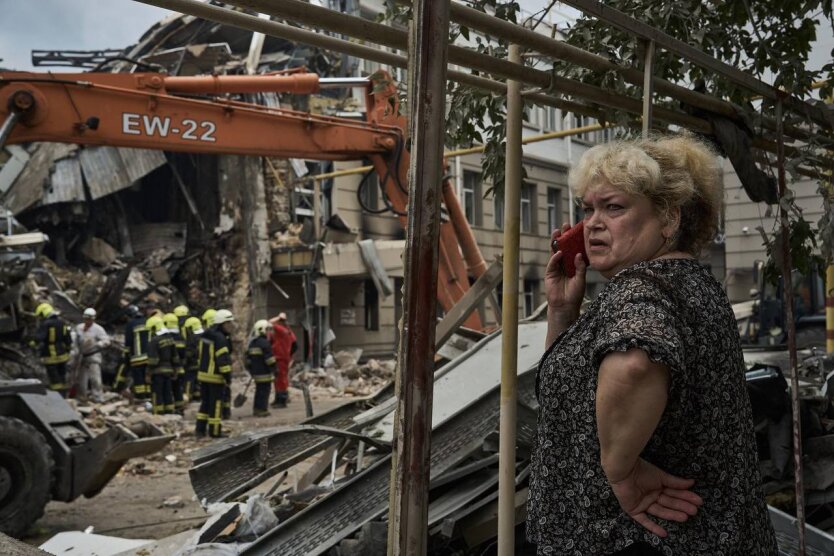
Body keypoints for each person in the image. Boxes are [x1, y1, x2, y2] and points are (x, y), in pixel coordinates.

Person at [527, 135, 777, 555]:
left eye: (614, 207)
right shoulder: (695, 284)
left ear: (668, 218)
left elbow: (634, 364)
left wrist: (622, 474)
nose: (591, 224)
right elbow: (574, 395)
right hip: (713, 535)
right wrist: (561, 312)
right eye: (587, 209)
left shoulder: (639, 292)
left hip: (638, 537)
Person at [196, 309, 234, 438]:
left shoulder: (206, 334)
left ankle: (200, 430)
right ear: (220, 323)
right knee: (216, 404)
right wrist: (227, 377)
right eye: (228, 323)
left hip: (203, 375)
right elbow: (222, 360)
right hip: (215, 376)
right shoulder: (220, 338)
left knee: (205, 403)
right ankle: (215, 431)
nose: (231, 326)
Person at [33, 303, 72, 397]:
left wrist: (32, 343)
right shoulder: (62, 322)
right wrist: (67, 349)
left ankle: (57, 395)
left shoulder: (46, 324)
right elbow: (68, 339)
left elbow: (39, 338)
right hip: (62, 354)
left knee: (53, 376)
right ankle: (64, 394)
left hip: (50, 354)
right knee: (62, 374)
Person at [73, 308, 110, 402]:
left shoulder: (98, 329)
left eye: (90, 319)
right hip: (82, 355)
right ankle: (81, 396)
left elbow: (106, 340)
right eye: (86, 319)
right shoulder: (79, 327)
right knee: (82, 378)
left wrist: (98, 344)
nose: (88, 321)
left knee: (95, 378)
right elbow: (75, 340)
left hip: (94, 355)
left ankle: (98, 397)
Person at [146, 314, 179, 415]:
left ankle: (158, 412)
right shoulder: (169, 338)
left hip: (157, 372)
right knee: (167, 392)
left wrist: (148, 373)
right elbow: (175, 357)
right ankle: (169, 411)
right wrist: (175, 370)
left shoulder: (154, 341)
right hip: (169, 371)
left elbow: (153, 360)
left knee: (157, 393)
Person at [246, 319, 277, 417]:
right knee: (264, 392)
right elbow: (270, 360)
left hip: (256, 373)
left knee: (258, 391)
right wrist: (275, 369)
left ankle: (256, 409)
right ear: (261, 330)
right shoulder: (264, 343)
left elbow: (248, 360)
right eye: (267, 329)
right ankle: (262, 410)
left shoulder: (252, 343)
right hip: (264, 373)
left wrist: (252, 371)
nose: (269, 332)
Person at [123, 304, 151, 400]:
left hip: (137, 357)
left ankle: (140, 397)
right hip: (149, 356)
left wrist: (126, 357)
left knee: (139, 377)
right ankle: (148, 395)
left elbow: (128, 342)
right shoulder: (147, 321)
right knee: (147, 376)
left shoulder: (130, 324)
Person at [269, 312, 296, 408]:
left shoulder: (280, 330)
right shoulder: (289, 331)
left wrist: (278, 317)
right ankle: (279, 399)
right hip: (284, 357)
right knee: (281, 379)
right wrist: (290, 356)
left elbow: (269, 322)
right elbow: (294, 344)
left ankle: (281, 401)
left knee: (280, 380)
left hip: (280, 357)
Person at [164, 312, 187, 414]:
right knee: (178, 390)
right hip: (180, 369)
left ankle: (168, 411)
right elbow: (183, 354)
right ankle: (180, 409)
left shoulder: (166, 338)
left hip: (169, 369)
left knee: (168, 390)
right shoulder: (181, 337)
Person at [182, 316, 204, 403]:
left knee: (189, 380)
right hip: (203, 364)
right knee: (199, 381)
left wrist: (185, 361)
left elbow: (189, 352)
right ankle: (198, 396)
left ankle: (188, 396)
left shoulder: (192, 339)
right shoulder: (204, 335)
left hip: (193, 363)